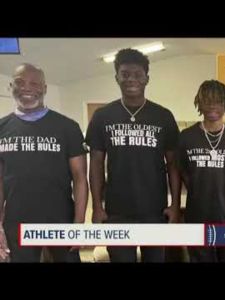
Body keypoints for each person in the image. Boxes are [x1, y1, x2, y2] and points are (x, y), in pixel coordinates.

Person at [86, 49, 181, 263]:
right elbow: (96, 164)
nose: (131, 79)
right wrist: (97, 207)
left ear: (147, 78)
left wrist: (174, 205)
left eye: (137, 74)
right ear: (117, 77)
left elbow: (173, 164)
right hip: (116, 212)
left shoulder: (163, 116)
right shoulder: (103, 116)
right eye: (125, 74)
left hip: (154, 211)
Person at [0, 63, 88, 262]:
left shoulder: (67, 127)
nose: (27, 88)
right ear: (11, 86)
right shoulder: (2, 128)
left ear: (45, 88)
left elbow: (80, 178)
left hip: (61, 221)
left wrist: (79, 223)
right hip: (17, 223)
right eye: (20, 83)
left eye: (35, 83)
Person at [178, 80, 225, 262]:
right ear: (198, 103)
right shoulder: (185, 138)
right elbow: (182, 172)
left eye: (217, 100)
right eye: (206, 100)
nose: (212, 105)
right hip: (197, 215)